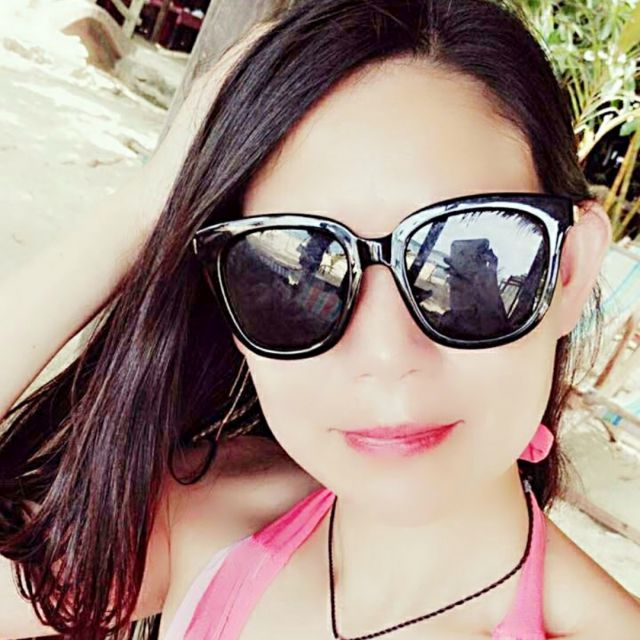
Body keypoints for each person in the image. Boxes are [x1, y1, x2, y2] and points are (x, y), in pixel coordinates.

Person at [0, 1, 639, 639]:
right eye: (296, 274)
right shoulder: (207, 518)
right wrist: (155, 202)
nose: (387, 356)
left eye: (461, 263)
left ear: (570, 271)